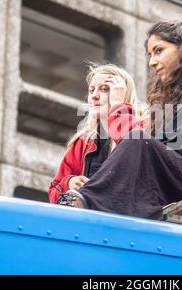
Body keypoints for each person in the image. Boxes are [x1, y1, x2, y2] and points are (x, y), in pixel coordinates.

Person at [50, 19, 182, 219]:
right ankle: (89, 202)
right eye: (150, 54)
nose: (152, 61)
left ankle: (86, 200)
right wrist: (68, 182)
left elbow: (170, 139)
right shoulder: (169, 96)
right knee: (138, 143)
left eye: (159, 50)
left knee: (138, 140)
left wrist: (119, 107)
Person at [48, 63, 145, 207]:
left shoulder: (144, 129)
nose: (94, 96)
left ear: (122, 94)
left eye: (105, 89)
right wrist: (69, 182)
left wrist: (118, 105)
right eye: (91, 90)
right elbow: (53, 192)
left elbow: (135, 149)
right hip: (87, 222)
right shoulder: (83, 142)